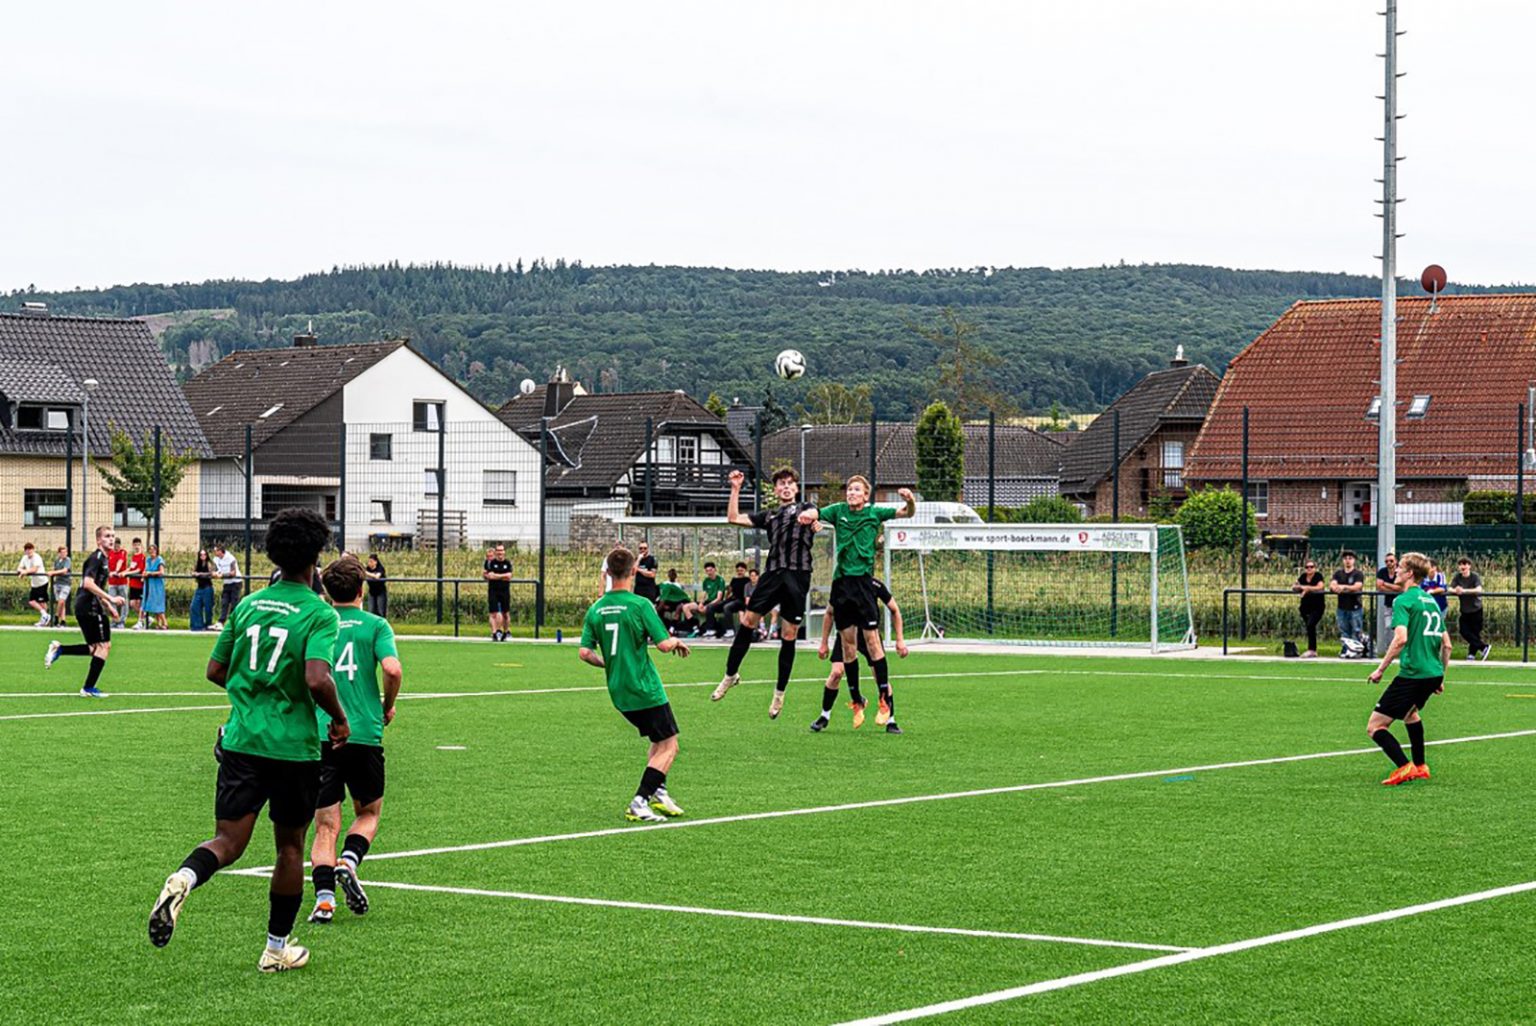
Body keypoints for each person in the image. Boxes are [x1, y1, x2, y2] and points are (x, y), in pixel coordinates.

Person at [147, 507, 348, 972]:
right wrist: (339, 719)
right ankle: (276, 949)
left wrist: (252, 693)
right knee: (290, 848)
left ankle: (184, 877)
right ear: (315, 558)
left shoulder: (248, 605)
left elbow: (216, 669)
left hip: (240, 742)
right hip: (292, 748)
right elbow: (317, 678)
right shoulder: (320, 614)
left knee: (228, 841)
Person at [307, 555, 403, 925]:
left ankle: (324, 901)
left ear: (327, 591)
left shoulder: (319, 623)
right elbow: (392, 668)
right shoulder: (376, 625)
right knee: (368, 813)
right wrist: (387, 704)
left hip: (323, 734)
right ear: (362, 590)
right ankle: (349, 861)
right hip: (364, 733)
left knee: (325, 826)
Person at [578, 546, 691, 823]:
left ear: (608, 572)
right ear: (632, 572)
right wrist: (676, 641)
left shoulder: (596, 608)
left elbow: (584, 653)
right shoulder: (640, 605)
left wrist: (609, 663)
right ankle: (640, 801)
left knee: (658, 739)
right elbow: (664, 645)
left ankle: (659, 791)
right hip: (644, 688)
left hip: (619, 691)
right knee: (670, 746)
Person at [794, 477, 916, 728]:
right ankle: (856, 701)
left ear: (865, 495)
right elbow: (816, 512)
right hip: (842, 584)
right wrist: (807, 515)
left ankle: (884, 700)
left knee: (872, 642)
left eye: (856, 489)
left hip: (863, 584)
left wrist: (911, 500)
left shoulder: (874, 513)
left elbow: (907, 512)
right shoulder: (838, 511)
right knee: (848, 648)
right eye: (849, 489)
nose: (851, 492)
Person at [713, 468, 822, 718]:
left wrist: (811, 518)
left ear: (796, 488)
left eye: (790, 483)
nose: (786, 487)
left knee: (789, 633)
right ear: (775, 490)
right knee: (747, 621)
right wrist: (735, 488)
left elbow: (815, 513)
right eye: (781, 484)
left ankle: (779, 693)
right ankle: (730, 675)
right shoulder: (770, 515)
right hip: (772, 574)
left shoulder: (806, 507)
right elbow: (733, 518)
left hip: (798, 575)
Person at [1367, 551, 1450, 786]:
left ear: (1410, 573)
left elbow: (1400, 639)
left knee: (1375, 726)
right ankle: (1421, 766)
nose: (1396, 571)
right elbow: (1447, 644)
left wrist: (1380, 669)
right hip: (1433, 673)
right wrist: (1440, 677)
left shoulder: (1403, 601)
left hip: (1413, 674)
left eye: (1400, 568)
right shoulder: (1431, 601)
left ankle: (1405, 767)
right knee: (1410, 714)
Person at [813, 577, 910, 733]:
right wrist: (824, 643)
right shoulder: (842, 585)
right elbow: (829, 613)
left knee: (880, 677)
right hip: (846, 635)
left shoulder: (873, 584)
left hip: (869, 637)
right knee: (836, 673)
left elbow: (895, 610)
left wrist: (900, 640)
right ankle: (824, 716)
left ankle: (891, 720)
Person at [45, 525, 128, 697]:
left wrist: (108, 605)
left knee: (95, 647)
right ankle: (88, 688)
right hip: (90, 607)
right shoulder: (96, 558)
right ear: (98, 540)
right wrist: (111, 599)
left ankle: (60, 649)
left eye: (112, 536)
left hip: (87, 605)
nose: (111, 539)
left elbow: (95, 587)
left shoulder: (103, 559)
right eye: (107, 536)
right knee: (104, 646)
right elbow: (88, 584)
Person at [1448, 557, 1489, 660]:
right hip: (1464, 610)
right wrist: (1456, 590)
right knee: (1464, 631)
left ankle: (1471, 654)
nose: (1463, 567)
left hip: (1476, 610)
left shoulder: (1475, 577)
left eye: (1465, 564)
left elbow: (1479, 589)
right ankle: (1483, 647)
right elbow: (1450, 588)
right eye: (1461, 564)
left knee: (1475, 632)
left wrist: (1464, 591)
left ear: (1469, 566)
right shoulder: (1457, 577)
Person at [1329, 550, 1366, 658]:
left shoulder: (1358, 574)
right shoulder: (1338, 573)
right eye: (1345, 558)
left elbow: (1357, 586)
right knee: (1344, 631)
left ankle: (1357, 651)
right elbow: (1332, 585)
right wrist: (1336, 588)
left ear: (1354, 560)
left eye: (1350, 558)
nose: (1348, 561)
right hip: (1341, 607)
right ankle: (1346, 650)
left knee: (1356, 630)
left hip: (1355, 607)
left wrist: (1343, 587)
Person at [1292, 559, 1327, 658]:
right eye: (1307, 567)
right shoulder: (1303, 577)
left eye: (1311, 567)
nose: (1309, 569)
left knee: (1311, 624)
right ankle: (1312, 649)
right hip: (1305, 607)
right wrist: (1300, 588)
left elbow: (1320, 587)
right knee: (1309, 627)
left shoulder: (1318, 576)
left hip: (1317, 607)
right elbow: (1295, 586)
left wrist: (1307, 589)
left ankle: (1312, 649)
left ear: (1315, 568)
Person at [483, 543, 513, 641]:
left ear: (504, 552)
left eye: (501, 550)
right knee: (493, 613)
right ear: (496, 552)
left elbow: (509, 576)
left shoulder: (507, 563)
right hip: (493, 591)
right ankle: (494, 633)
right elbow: (490, 576)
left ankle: (505, 632)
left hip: (504, 591)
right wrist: (502, 576)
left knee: (506, 614)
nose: (500, 552)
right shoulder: (491, 563)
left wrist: (496, 576)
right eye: (498, 550)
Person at [691, 562, 728, 636]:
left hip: (718, 603)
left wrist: (706, 606)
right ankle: (695, 628)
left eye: (710, 570)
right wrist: (701, 604)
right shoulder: (706, 581)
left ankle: (710, 629)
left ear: (715, 570)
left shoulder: (720, 580)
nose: (709, 572)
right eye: (707, 571)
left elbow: (719, 598)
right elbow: (704, 594)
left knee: (709, 607)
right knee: (688, 606)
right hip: (709, 601)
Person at [17, 542, 49, 626]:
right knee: (32, 601)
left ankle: (45, 619)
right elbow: (19, 568)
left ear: (33, 550)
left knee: (42, 602)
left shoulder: (37, 557)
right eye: (27, 550)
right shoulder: (24, 558)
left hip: (42, 582)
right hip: (34, 583)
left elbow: (34, 569)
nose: (29, 551)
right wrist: (21, 571)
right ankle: (45, 615)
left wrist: (24, 572)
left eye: (30, 549)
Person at [214, 544, 242, 626]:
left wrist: (222, 575)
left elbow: (233, 573)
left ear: (220, 551)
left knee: (234, 603)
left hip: (236, 582)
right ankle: (221, 622)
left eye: (216, 551)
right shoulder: (216, 559)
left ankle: (233, 622)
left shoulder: (230, 558)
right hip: (227, 583)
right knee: (224, 602)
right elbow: (215, 569)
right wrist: (214, 573)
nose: (215, 552)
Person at [142, 544, 168, 630]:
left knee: (158, 604)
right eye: (150, 550)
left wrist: (150, 573)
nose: (152, 551)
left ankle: (165, 623)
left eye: (153, 550)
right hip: (150, 584)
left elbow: (161, 572)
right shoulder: (148, 560)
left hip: (157, 584)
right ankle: (158, 623)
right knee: (153, 603)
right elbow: (146, 569)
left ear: (156, 551)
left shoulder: (159, 560)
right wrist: (144, 574)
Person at [191, 549, 216, 631]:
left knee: (208, 608)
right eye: (201, 554)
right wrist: (195, 574)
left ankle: (208, 625)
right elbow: (193, 572)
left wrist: (200, 574)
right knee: (194, 606)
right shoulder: (198, 564)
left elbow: (211, 573)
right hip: (199, 588)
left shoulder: (209, 563)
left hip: (207, 587)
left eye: (204, 554)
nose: (203, 556)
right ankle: (197, 625)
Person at [107, 539, 130, 627]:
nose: (116, 547)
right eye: (115, 546)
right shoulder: (110, 553)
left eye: (118, 546)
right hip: (112, 582)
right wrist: (109, 572)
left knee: (124, 601)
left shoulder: (123, 552)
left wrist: (116, 571)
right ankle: (114, 620)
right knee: (112, 601)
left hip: (122, 582)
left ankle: (122, 621)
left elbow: (120, 562)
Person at [50, 545, 72, 629]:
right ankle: (63, 620)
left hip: (65, 583)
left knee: (61, 600)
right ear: (59, 553)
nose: (64, 554)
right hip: (57, 583)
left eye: (65, 552)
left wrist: (53, 573)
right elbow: (55, 569)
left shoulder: (67, 560)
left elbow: (64, 570)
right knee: (60, 602)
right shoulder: (57, 561)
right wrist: (53, 572)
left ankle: (56, 616)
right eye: (62, 552)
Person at [127, 537, 147, 629]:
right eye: (135, 545)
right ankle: (146, 618)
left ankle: (140, 621)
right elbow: (131, 568)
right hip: (132, 583)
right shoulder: (133, 557)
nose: (137, 547)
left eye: (138, 545)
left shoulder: (142, 557)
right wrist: (124, 572)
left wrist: (127, 573)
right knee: (132, 604)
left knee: (139, 602)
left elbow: (138, 570)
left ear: (141, 546)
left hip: (139, 584)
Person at [364, 553, 388, 619]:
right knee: (371, 610)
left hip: (380, 592)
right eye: (369, 561)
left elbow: (377, 576)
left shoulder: (380, 568)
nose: (369, 563)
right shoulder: (368, 568)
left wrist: (367, 573)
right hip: (371, 591)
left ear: (375, 562)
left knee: (381, 611)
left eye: (371, 561)